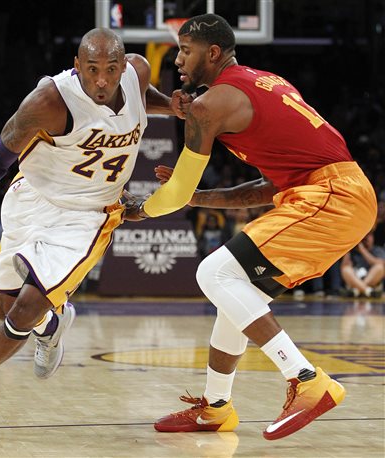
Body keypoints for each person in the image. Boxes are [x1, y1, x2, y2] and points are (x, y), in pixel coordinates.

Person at [0, 27, 187, 437]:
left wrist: (171, 108)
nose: (103, 80)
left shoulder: (138, 73)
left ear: (124, 65)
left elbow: (143, 98)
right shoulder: (49, 102)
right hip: (31, 199)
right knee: (4, 310)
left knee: (21, 314)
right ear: (78, 67)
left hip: (87, 217)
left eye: (111, 69)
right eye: (93, 70)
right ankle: (53, 327)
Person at [124, 14, 377, 440]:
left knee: (213, 272)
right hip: (334, 192)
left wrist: (140, 210)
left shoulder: (210, 105)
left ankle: (306, 380)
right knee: (238, 296)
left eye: (186, 50)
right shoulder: (265, 82)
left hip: (332, 195)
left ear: (214, 53)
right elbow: (269, 186)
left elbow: (175, 192)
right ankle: (216, 407)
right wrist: (199, 197)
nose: (179, 59)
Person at [340, 231, 385, 297]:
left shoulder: (377, 250)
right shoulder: (353, 251)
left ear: (373, 238)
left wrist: (362, 250)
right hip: (355, 278)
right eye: (364, 238)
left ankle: (357, 290)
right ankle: (368, 291)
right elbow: (344, 267)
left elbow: (380, 263)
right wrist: (348, 249)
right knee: (346, 269)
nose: (366, 239)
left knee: (380, 267)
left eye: (368, 236)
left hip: (371, 281)